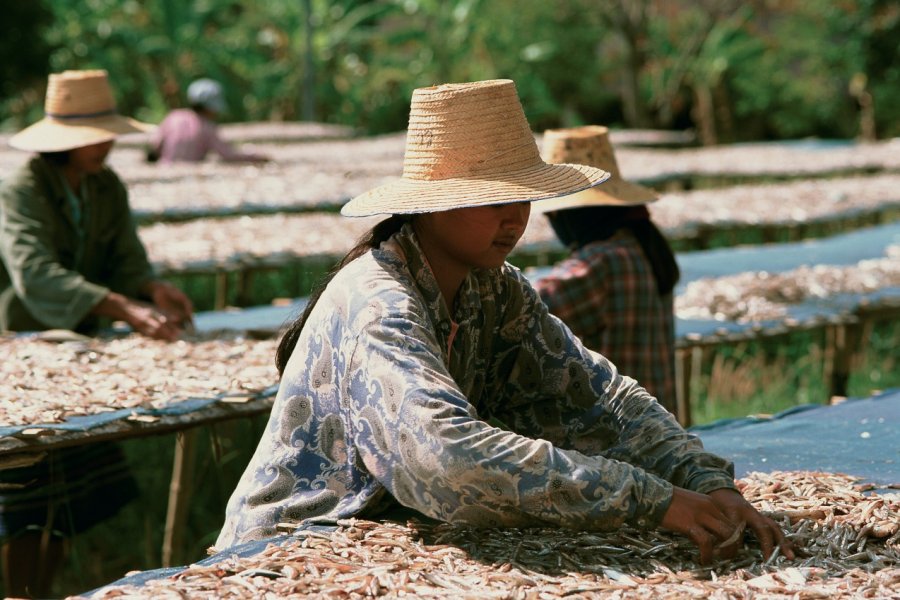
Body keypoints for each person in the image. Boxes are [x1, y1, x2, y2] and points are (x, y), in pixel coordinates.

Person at [216, 80, 793, 568]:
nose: (516, 217)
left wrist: (704, 480)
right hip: (293, 551)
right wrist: (650, 500)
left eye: (523, 198)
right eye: (493, 199)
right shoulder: (379, 302)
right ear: (433, 204)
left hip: (395, 541)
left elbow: (600, 398)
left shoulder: (495, 288)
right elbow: (446, 459)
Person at [0, 69, 194, 597]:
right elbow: (33, 271)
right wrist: (119, 306)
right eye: (95, 135)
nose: (106, 144)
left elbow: (124, 256)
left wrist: (150, 288)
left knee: (67, 501)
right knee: (24, 500)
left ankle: (44, 588)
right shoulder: (24, 190)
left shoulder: (106, 186)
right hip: (23, 344)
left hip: (79, 346)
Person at [532, 126, 680, 415]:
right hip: (660, 429)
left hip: (620, 434)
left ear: (577, 213)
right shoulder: (642, 246)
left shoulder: (603, 263)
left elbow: (522, 305)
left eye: (554, 213)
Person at [147, 78, 269, 163]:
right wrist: (255, 157)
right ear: (211, 108)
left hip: (165, 167)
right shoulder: (206, 127)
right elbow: (228, 155)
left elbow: (154, 147)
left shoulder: (173, 117)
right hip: (190, 171)